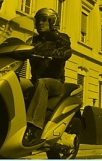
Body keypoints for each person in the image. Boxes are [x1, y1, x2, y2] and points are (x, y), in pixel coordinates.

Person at [23, 8, 73, 145]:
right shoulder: (33, 40)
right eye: (38, 20)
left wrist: (54, 54)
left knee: (42, 83)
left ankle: (33, 129)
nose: (40, 23)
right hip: (34, 81)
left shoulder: (61, 38)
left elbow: (66, 51)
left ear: (53, 21)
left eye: (44, 20)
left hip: (55, 83)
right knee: (15, 82)